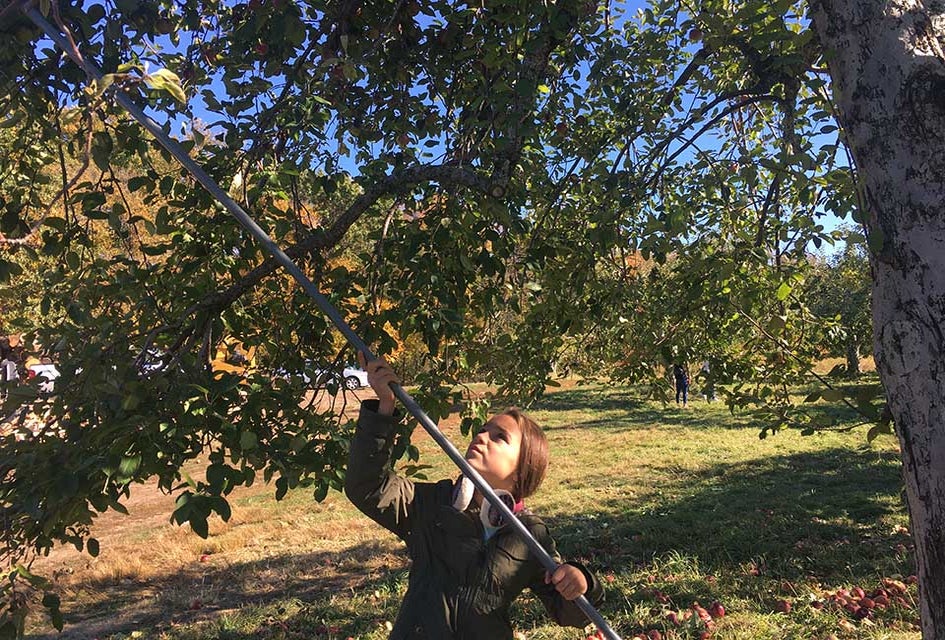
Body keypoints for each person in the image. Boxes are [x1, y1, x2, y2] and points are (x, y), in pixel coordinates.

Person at [345, 353, 605, 640]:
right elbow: (367, 487)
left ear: (523, 469)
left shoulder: (529, 534)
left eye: (499, 437)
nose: (481, 437)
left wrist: (581, 582)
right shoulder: (432, 504)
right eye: (483, 430)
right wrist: (384, 409)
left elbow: (570, 613)